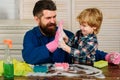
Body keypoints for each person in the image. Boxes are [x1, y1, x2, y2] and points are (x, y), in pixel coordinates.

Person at [22, 0, 74, 65]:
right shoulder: (30, 36)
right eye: (48, 18)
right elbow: (28, 58)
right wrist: (50, 46)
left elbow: (82, 56)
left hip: (63, 75)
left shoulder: (68, 35)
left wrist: (69, 42)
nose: (53, 21)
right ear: (37, 19)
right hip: (39, 74)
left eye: (54, 17)